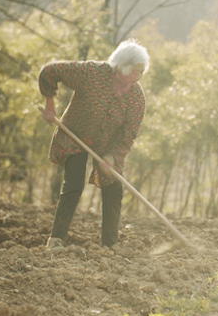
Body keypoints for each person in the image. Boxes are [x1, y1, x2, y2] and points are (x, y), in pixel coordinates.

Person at [39, 41, 148, 248]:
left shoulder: (136, 98)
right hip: (75, 136)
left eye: (142, 72)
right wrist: (50, 105)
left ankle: (110, 245)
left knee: (114, 189)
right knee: (74, 184)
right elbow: (50, 71)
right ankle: (56, 240)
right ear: (122, 66)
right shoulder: (91, 73)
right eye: (135, 71)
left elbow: (128, 134)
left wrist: (112, 157)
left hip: (108, 147)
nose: (139, 77)